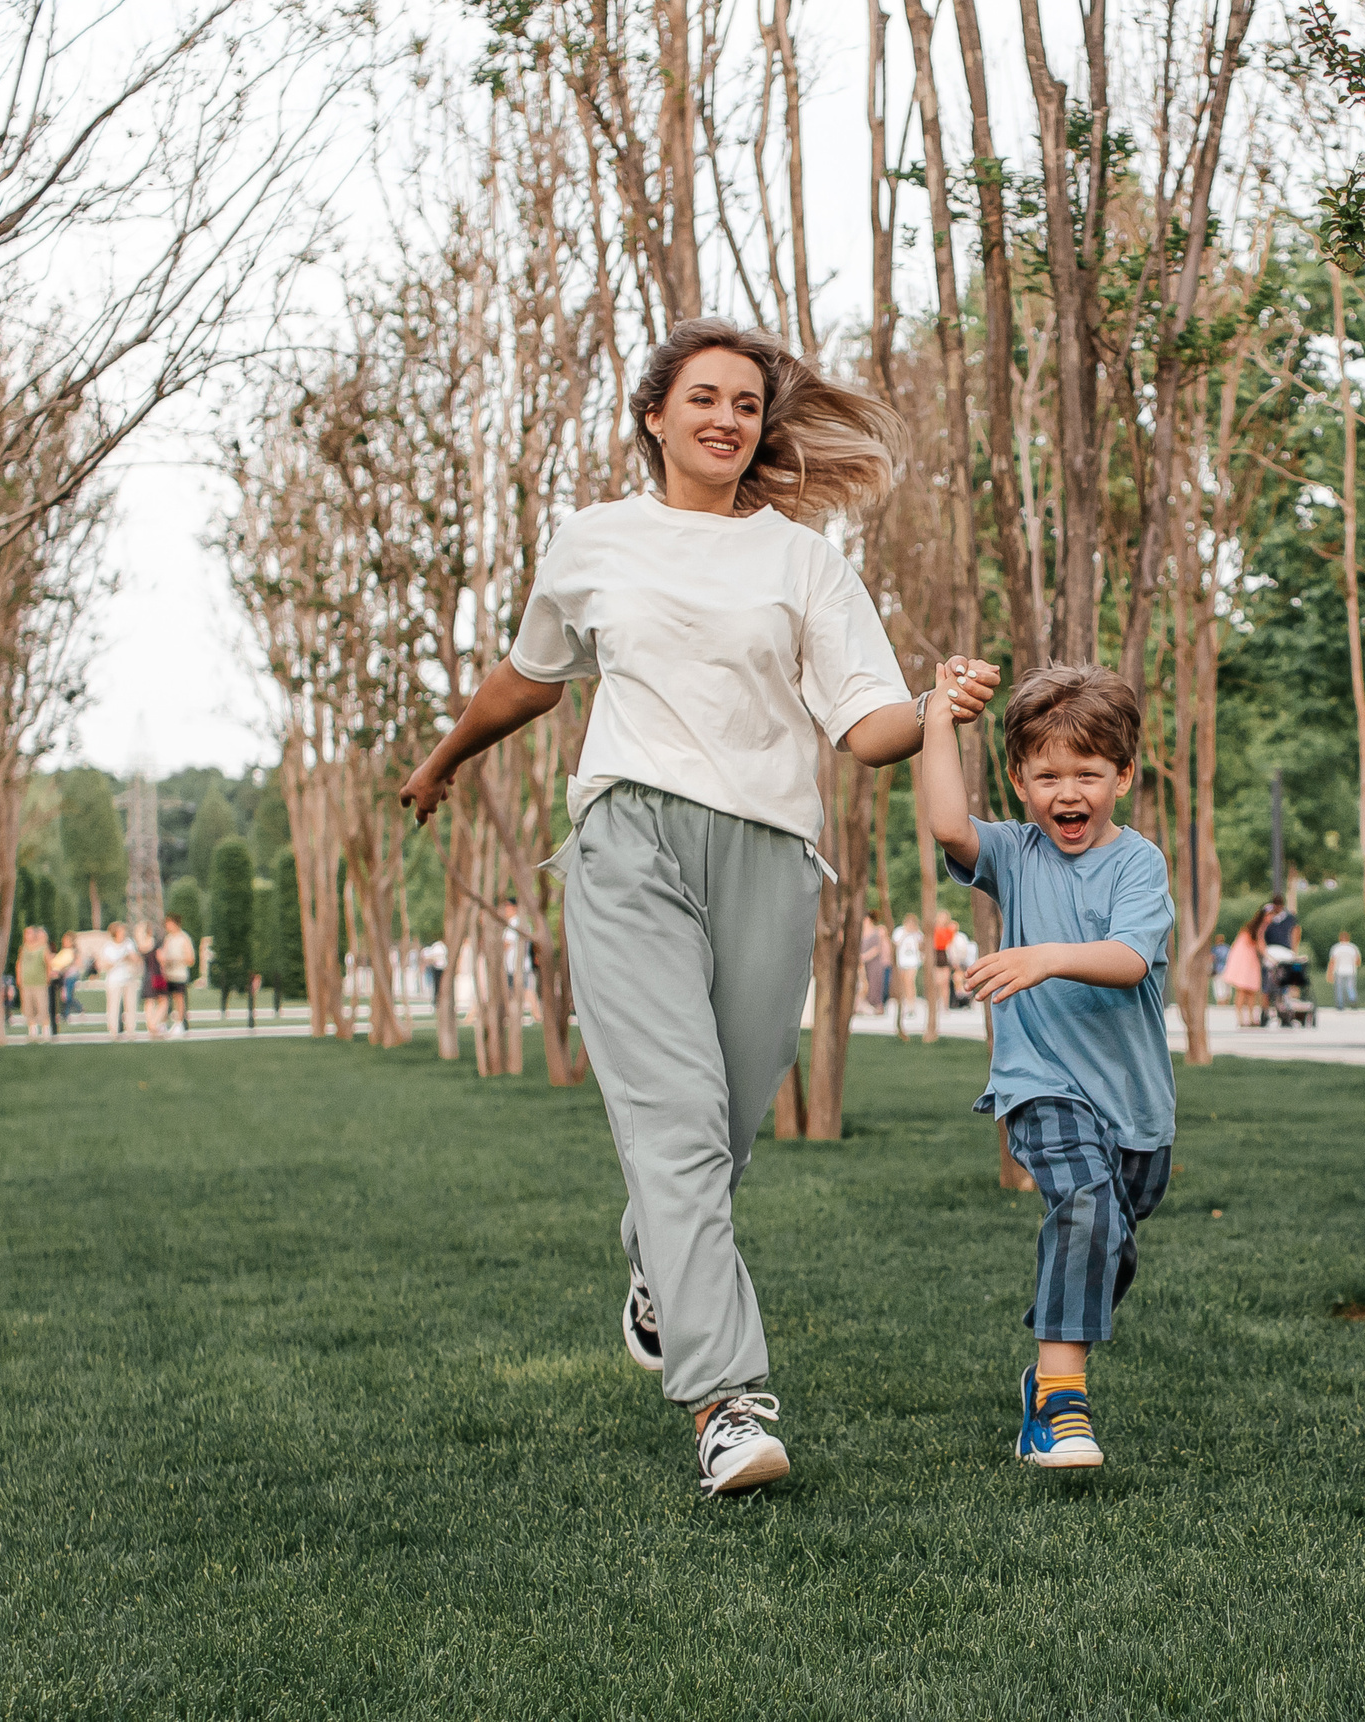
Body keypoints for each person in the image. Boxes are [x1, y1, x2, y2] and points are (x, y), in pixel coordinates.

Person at [396, 315, 978, 1497]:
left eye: (748, 405)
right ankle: (727, 1404)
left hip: (770, 852)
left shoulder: (801, 560)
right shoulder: (592, 540)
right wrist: (445, 755)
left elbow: (866, 731)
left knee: (722, 1130)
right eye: (704, 397)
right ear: (654, 413)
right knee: (673, 1121)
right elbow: (530, 676)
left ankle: (660, 1267)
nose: (727, 419)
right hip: (626, 841)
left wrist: (939, 702)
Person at [919, 660, 1172, 1472]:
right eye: (1048, 774)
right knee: (1087, 1208)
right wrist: (940, 717)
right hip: (1041, 1086)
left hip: (1136, 1107)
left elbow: (1132, 958)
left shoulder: (1140, 864)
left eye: (1089, 774)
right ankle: (1060, 1409)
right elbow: (948, 823)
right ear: (1020, 781)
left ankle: (1047, 1372)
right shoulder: (1013, 852)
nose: (1069, 792)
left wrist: (1044, 957)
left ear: (1123, 777)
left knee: (1108, 1243)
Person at [1224, 907, 1267, 1027]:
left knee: (1250, 990)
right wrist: (1270, 957)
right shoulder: (1256, 928)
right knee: (1243, 990)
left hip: (1248, 960)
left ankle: (1250, 1017)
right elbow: (1260, 945)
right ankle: (1242, 1018)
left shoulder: (1252, 928)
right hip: (1245, 960)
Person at [98, 921, 139, 1041]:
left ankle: (131, 1030)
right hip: (114, 980)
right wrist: (119, 959)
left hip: (129, 978)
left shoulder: (129, 943)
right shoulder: (108, 947)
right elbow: (104, 964)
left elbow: (135, 958)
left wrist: (130, 957)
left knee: (130, 1005)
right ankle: (113, 1030)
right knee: (113, 1006)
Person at [158, 913, 195, 1036]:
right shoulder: (168, 938)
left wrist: (175, 960)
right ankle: (163, 1022)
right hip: (167, 974)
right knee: (164, 999)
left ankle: (179, 1023)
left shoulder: (184, 938)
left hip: (179, 974)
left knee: (178, 998)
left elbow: (190, 959)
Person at [15, 927, 52, 1040]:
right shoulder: (23, 948)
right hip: (26, 983)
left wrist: (48, 976)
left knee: (42, 1007)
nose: (27, 936)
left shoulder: (43, 948)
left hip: (39, 983)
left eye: (29, 933)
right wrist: (19, 977)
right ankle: (32, 1031)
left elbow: (48, 963)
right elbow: (19, 963)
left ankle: (45, 1030)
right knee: (28, 1008)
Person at [892, 913, 925, 1038]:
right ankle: (904, 1004)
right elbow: (896, 944)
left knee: (910, 981)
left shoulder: (917, 934)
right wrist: (906, 933)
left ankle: (912, 1005)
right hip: (902, 961)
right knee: (902, 983)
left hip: (912, 961)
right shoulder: (900, 931)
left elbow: (921, 946)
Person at [858, 913, 889, 1014]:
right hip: (863, 964)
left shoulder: (876, 932)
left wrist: (864, 956)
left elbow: (877, 949)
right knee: (863, 984)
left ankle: (877, 1005)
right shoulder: (860, 932)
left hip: (874, 962)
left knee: (874, 983)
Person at [48, 932, 77, 1029]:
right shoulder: (64, 951)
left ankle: (68, 1012)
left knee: (67, 996)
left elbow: (67, 963)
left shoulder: (71, 952)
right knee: (64, 996)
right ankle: (65, 1012)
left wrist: (60, 970)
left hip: (69, 976)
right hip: (61, 975)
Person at [1326, 933, 1361, 1009]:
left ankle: (1340, 1005)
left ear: (1340, 938)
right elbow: (1358, 962)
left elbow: (1332, 961)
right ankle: (1353, 999)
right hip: (1351, 971)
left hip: (1339, 970)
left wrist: (1329, 973)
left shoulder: (1336, 948)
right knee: (1351, 987)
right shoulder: (1353, 948)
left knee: (1339, 988)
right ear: (1348, 938)